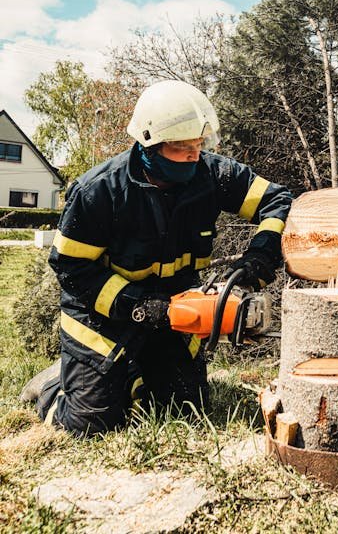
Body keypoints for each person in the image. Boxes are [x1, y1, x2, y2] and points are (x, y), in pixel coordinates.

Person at [25, 80, 293, 436]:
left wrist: (260, 257)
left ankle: (134, 377)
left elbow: (278, 201)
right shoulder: (99, 191)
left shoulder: (213, 175)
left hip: (174, 310)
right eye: (182, 148)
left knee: (186, 412)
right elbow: (71, 268)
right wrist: (138, 306)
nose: (194, 155)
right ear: (149, 144)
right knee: (89, 425)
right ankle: (52, 386)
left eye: (198, 144)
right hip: (101, 316)